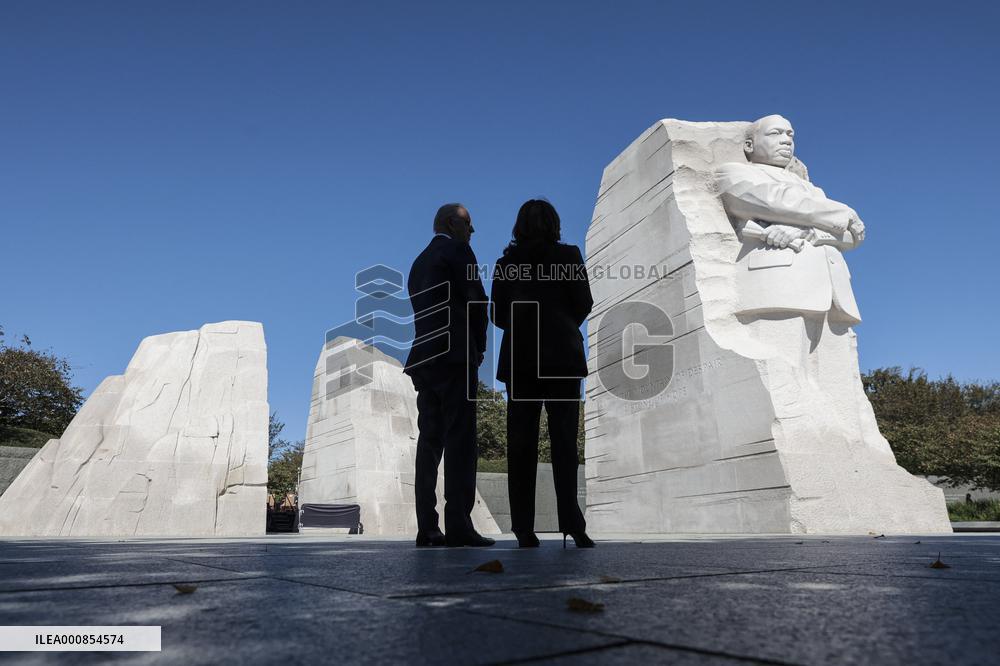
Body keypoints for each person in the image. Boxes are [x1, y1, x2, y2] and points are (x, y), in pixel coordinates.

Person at [490, 199, 595, 548]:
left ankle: (523, 528)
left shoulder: (506, 264)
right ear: (554, 224)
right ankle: (573, 525)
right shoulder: (569, 257)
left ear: (519, 226)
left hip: (521, 360)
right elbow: (584, 302)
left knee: (521, 445)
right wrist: (561, 325)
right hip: (563, 358)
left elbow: (499, 316)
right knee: (565, 443)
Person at [403, 203, 494, 548]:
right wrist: (479, 346)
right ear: (452, 224)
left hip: (424, 359)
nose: (473, 231)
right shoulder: (460, 250)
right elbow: (476, 301)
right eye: (469, 224)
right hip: (455, 354)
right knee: (460, 440)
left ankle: (427, 527)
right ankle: (459, 524)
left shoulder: (418, 263)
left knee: (429, 442)